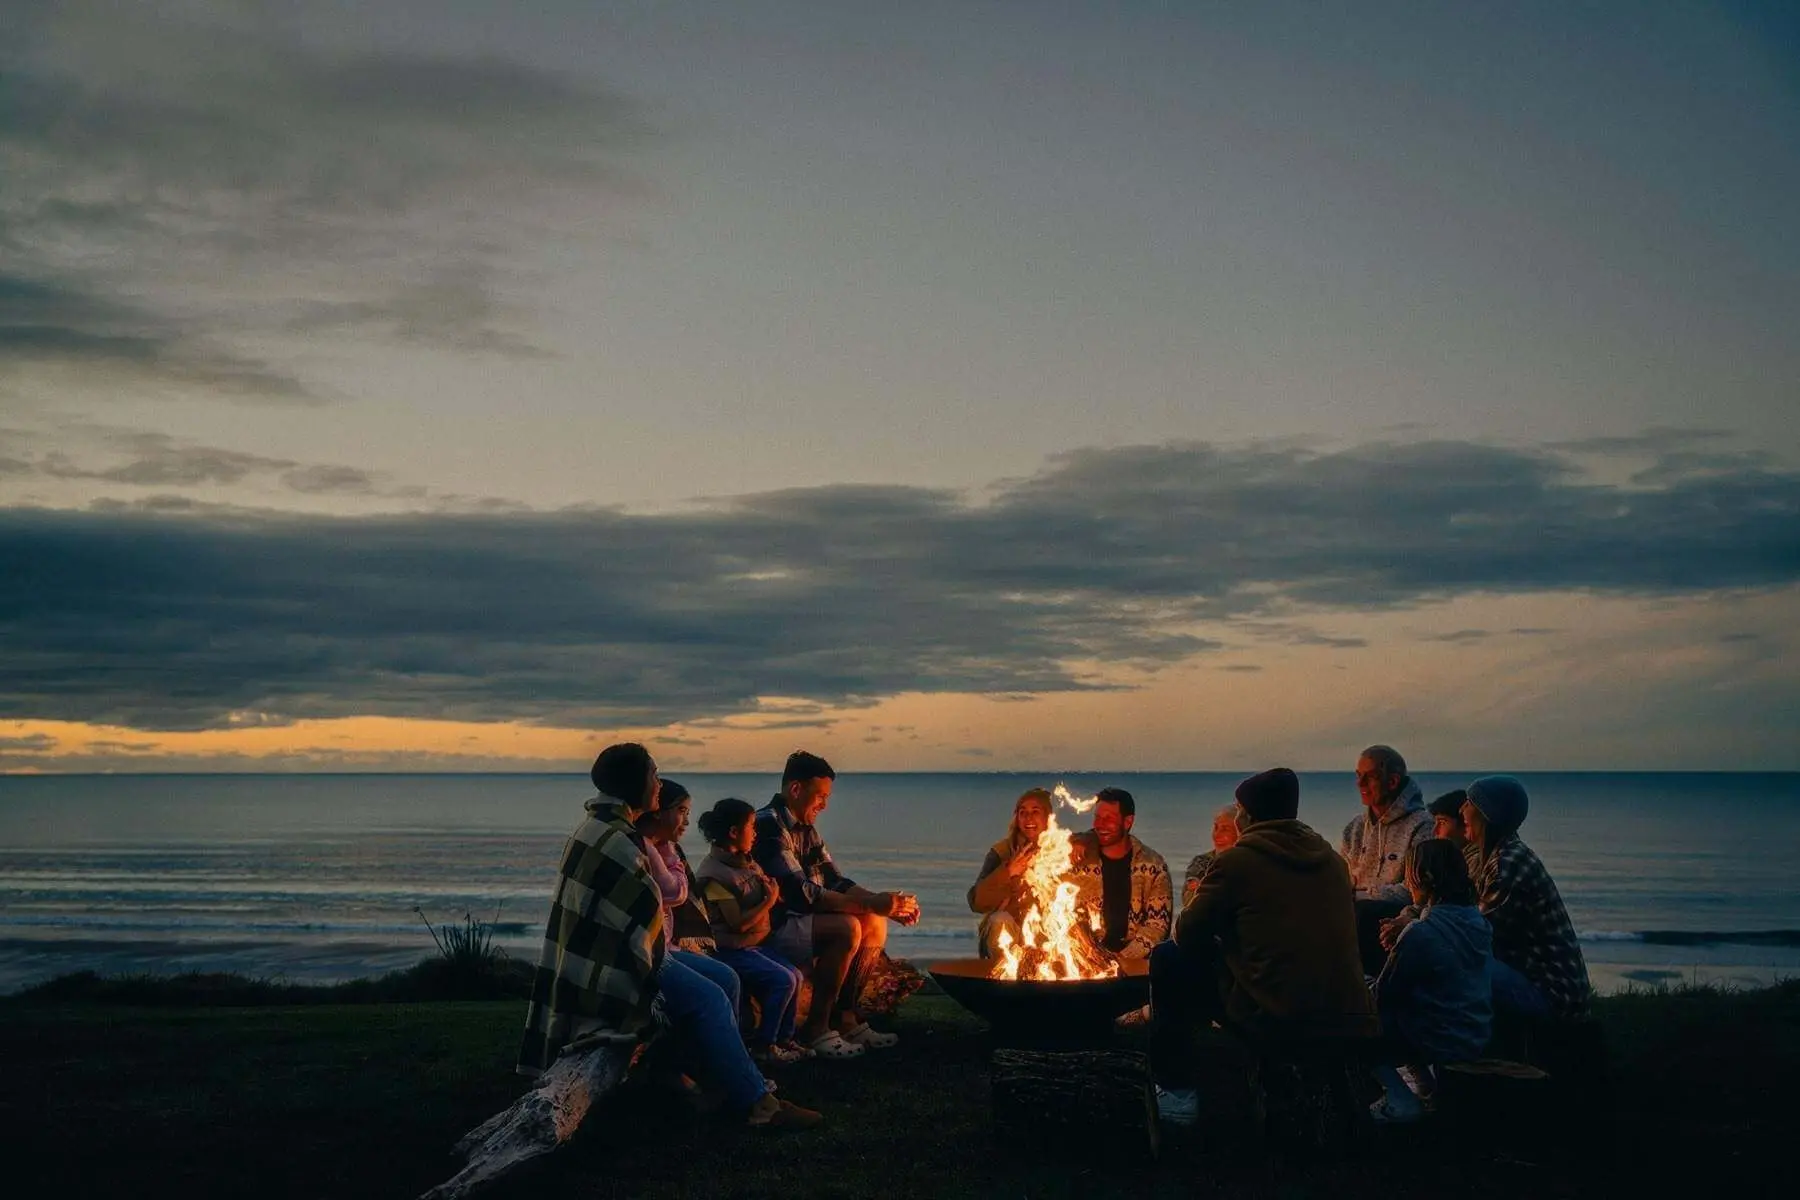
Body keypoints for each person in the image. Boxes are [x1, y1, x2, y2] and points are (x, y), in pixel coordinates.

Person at [518, 743, 820, 1129]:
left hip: (628, 951)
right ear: (636, 784)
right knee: (707, 996)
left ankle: (706, 1079)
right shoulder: (619, 840)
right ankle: (760, 1102)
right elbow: (641, 927)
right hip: (614, 966)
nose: (659, 785)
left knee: (725, 977)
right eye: (654, 775)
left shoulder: (607, 829)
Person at [1161, 767, 1376, 1043]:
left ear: (1250, 816)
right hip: (1347, 1008)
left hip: (1275, 1012)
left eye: (1239, 810)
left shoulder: (1236, 863)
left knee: (1167, 957)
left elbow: (1187, 932)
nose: (1236, 817)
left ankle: (1175, 1076)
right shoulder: (1334, 862)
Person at [755, 751, 920, 1059]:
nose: (824, 805)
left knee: (873, 922)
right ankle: (817, 1028)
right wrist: (871, 902)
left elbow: (834, 880)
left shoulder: (806, 828)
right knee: (846, 928)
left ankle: (847, 1018)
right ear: (795, 789)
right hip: (774, 924)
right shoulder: (768, 825)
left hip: (800, 920)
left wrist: (885, 905)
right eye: (820, 796)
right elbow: (799, 894)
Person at [1367, 838, 1494, 1123]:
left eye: (1409, 874)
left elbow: (1383, 996)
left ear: (1425, 879)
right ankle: (1427, 1088)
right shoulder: (1478, 924)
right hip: (1474, 1032)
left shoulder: (1421, 934)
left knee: (1362, 1012)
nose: (1406, 882)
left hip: (1438, 1037)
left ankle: (1399, 1098)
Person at [1461, 775, 1591, 1019]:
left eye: (1469, 802)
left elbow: (1474, 934)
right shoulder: (1491, 856)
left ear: (1488, 814)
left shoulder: (1507, 865)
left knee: (1456, 964)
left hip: (1552, 995)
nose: (1461, 809)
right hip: (1529, 978)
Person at [694, 798, 812, 1065]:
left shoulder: (743, 861)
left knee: (795, 974)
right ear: (734, 833)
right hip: (731, 950)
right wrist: (768, 901)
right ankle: (764, 1045)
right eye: (751, 827)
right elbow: (738, 924)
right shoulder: (714, 875)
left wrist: (770, 891)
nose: (756, 833)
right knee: (783, 980)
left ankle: (784, 1039)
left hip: (754, 945)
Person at [634, 778, 744, 1023]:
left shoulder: (661, 847)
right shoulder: (649, 848)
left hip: (669, 948)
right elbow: (675, 892)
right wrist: (671, 855)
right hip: (655, 955)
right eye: (681, 811)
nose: (686, 821)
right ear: (658, 812)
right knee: (715, 993)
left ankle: (728, 1045)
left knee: (728, 978)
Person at [1342, 745, 1433, 975]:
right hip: (1354, 910)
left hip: (1395, 917)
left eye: (1369, 777)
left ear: (1392, 782)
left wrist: (1360, 896)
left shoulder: (1422, 826)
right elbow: (1343, 875)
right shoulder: (1355, 828)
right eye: (1357, 776)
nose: (1360, 784)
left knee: (1361, 914)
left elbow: (1416, 890)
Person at [1070, 787, 1173, 960]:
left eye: (1108, 819)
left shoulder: (1152, 866)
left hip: (1133, 961)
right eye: (1097, 818)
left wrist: (1123, 959)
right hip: (1083, 959)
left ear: (1128, 822)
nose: (1099, 825)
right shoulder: (1079, 860)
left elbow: (1157, 926)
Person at [1377, 790, 1477, 953]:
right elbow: (1422, 902)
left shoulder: (1467, 864)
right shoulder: (1448, 858)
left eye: (1442, 822)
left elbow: (1446, 909)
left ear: (1465, 824)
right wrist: (1405, 917)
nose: (1434, 830)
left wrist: (1411, 924)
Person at [968, 787, 1053, 957]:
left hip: (1048, 936)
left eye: (1035, 812)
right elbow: (976, 902)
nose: (1028, 818)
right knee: (999, 921)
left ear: (1048, 817)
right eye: (1023, 812)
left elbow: (1097, 838)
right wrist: (1008, 872)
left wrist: (1082, 841)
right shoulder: (1001, 852)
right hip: (1011, 938)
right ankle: (1004, 980)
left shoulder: (1062, 850)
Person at [1181, 804, 1241, 907]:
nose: (1216, 835)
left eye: (1225, 829)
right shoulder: (1201, 863)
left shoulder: (1253, 862)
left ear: (1240, 832)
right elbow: (1191, 902)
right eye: (1216, 827)